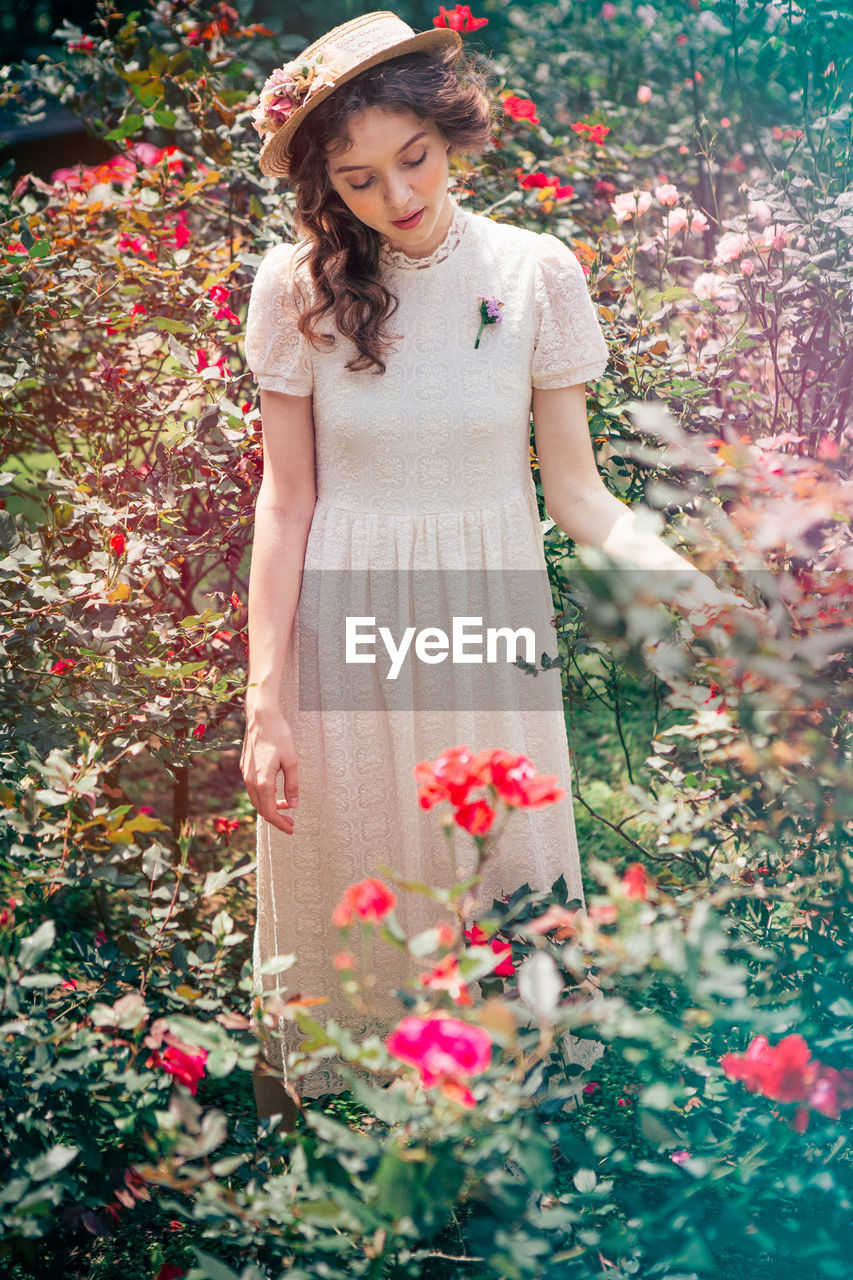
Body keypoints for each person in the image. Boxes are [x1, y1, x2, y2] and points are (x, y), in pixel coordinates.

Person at [241, 10, 739, 1130]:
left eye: (411, 159)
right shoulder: (297, 287)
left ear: (449, 129)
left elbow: (577, 491)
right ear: (327, 186)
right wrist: (263, 698)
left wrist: (691, 589)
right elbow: (287, 499)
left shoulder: (531, 270)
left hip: (484, 631)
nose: (396, 196)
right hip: (346, 633)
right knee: (342, 907)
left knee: (500, 901)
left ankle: (498, 1183)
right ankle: (314, 1187)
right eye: (358, 180)